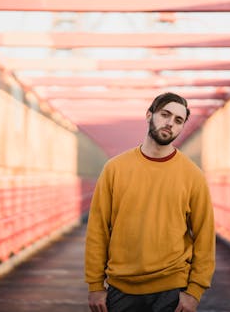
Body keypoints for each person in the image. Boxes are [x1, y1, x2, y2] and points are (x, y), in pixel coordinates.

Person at [85, 92, 215, 312]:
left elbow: (205, 236)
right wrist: (95, 285)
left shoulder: (193, 175)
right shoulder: (115, 169)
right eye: (165, 114)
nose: (170, 123)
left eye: (178, 120)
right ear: (149, 115)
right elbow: (98, 229)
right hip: (121, 288)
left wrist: (194, 291)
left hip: (171, 290)